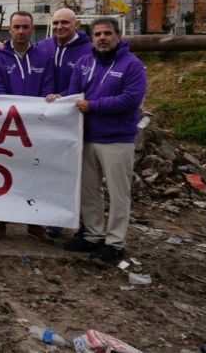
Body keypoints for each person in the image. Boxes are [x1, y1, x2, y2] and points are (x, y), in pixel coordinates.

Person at [52, 18, 146, 264]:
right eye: (97, 34)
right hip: (86, 137)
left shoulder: (132, 65)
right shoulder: (84, 63)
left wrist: (93, 106)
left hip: (117, 139)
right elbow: (74, 94)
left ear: (118, 36)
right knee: (89, 189)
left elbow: (131, 100)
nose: (102, 38)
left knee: (118, 193)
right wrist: (58, 99)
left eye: (107, 33)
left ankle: (115, 242)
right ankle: (93, 234)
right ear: (91, 37)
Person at [0, 11, 55, 243]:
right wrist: (14, 112)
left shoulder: (43, 56)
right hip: (6, 125)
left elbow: (48, 87)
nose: (21, 31)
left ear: (32, 29)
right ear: (9, 29)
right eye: (17, 27)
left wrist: (36, 113)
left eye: (25, 27)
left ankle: (34, 223)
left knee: (33, 174)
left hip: (35, 126)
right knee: (2, 173)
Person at [37, 7, 93, 238]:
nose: (60, 27)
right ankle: (55, 219)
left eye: (65, 23)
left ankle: (84, 223)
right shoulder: (44, 46)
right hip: (49, 119)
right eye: (56, 23)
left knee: (79, 174)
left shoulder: (90, 50)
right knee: (51, 170)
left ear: (77, 25)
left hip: (77, 119)